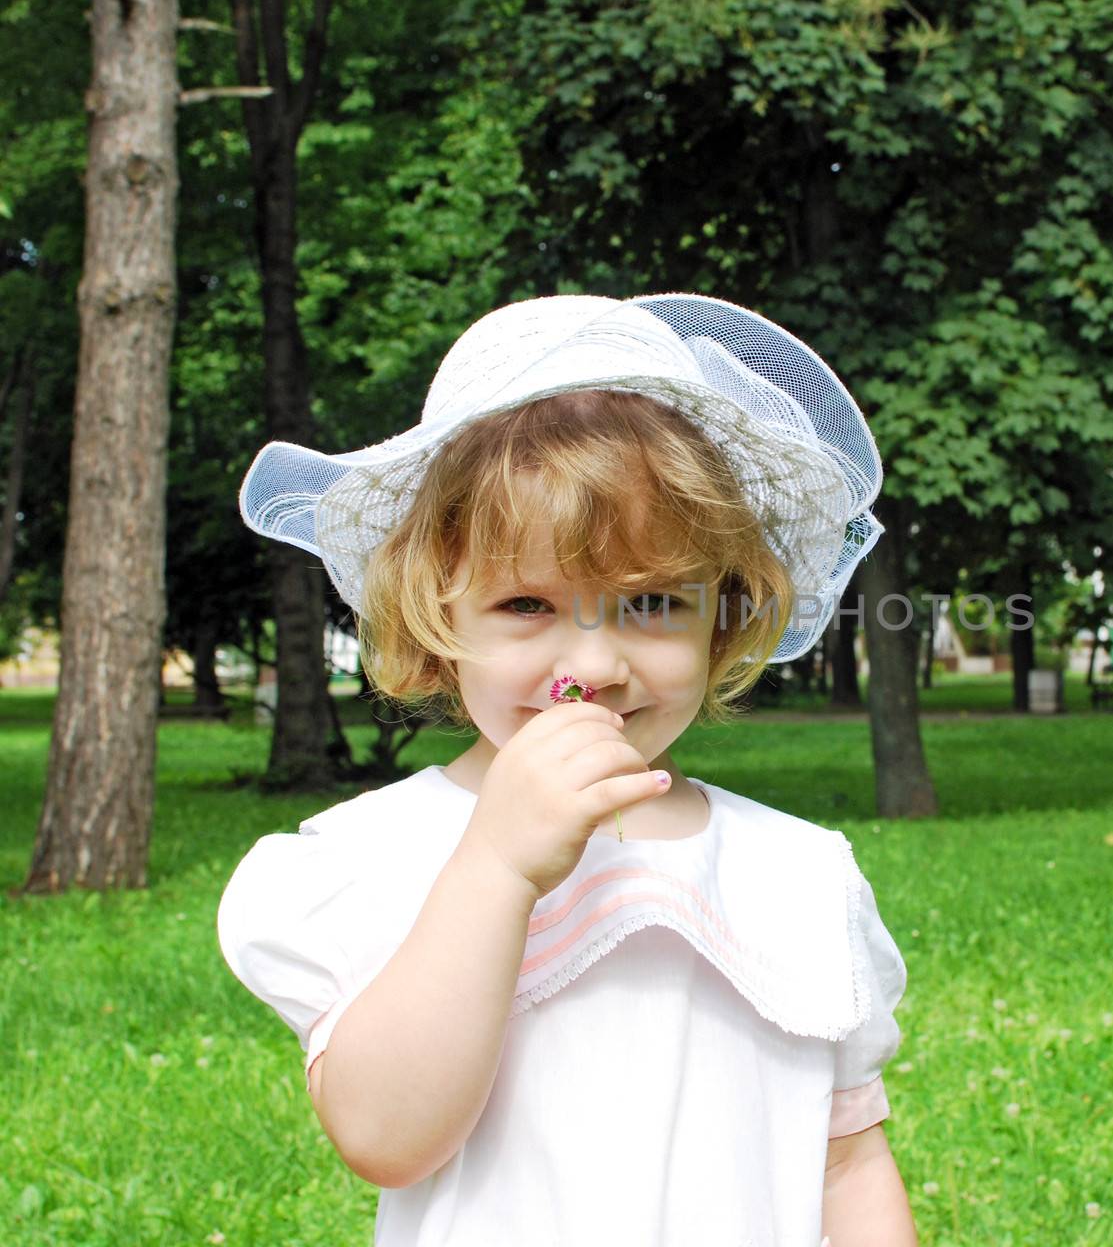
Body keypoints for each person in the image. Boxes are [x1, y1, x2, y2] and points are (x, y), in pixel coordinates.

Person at [216, 293, 919, 1246]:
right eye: (524, 604)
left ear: (725, 616)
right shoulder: (378, 859)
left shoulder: (796, 875)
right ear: (437, 619)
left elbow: (847, 1162)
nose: (591, 667)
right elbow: (385, 1137)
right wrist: (497, 867)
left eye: (652, 603)